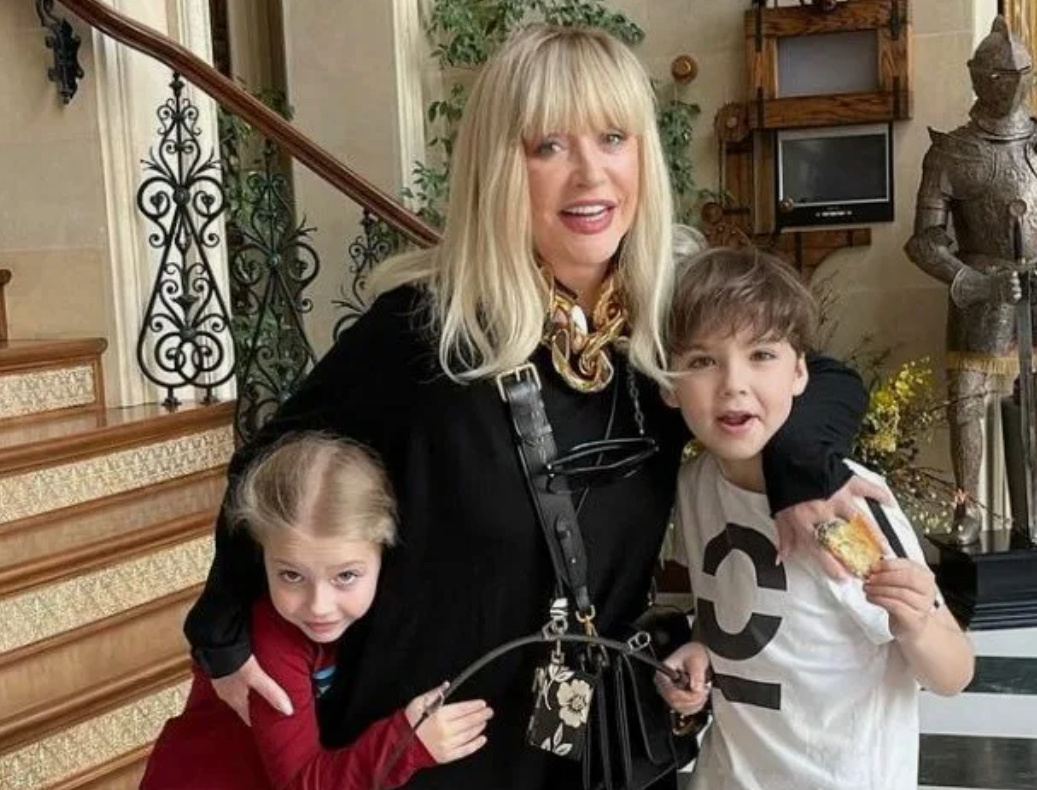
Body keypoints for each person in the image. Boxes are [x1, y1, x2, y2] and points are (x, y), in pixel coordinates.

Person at [184, 25, 880, 790]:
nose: (590, 174)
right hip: (435, 747)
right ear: (497, 168)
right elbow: (268, 464)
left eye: (612, 138)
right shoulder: (424, 331)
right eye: (547, 146)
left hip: (587, 746)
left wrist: (797, 472)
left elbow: (824, 377)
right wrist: (221, 629)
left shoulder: (674, 321)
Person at [656, 246, 976, 790]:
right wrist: (703, 650)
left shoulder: (845, 504)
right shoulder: (695, 487)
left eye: (761, 354)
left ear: (801, 372)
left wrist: (918, 623)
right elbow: (741, 611)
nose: (733, 383)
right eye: (703, 361)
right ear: (668, 384)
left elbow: (954, 672)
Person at [141, 433, 492, 789]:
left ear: (384, 554)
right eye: (291, 575)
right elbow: (299, 784)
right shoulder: (272, 637)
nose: (319, 606)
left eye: (345, 576)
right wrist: (406, 743)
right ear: (261, 555)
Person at [904, 16, 1034, 544]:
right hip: (981, 287)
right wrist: (976, 283)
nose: (1014, 84)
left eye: (1021, 73)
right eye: (1003, 75)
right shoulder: (951, 151)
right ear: (979, 77)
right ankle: (967, 506)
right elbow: (924, 242)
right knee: (965, 400)